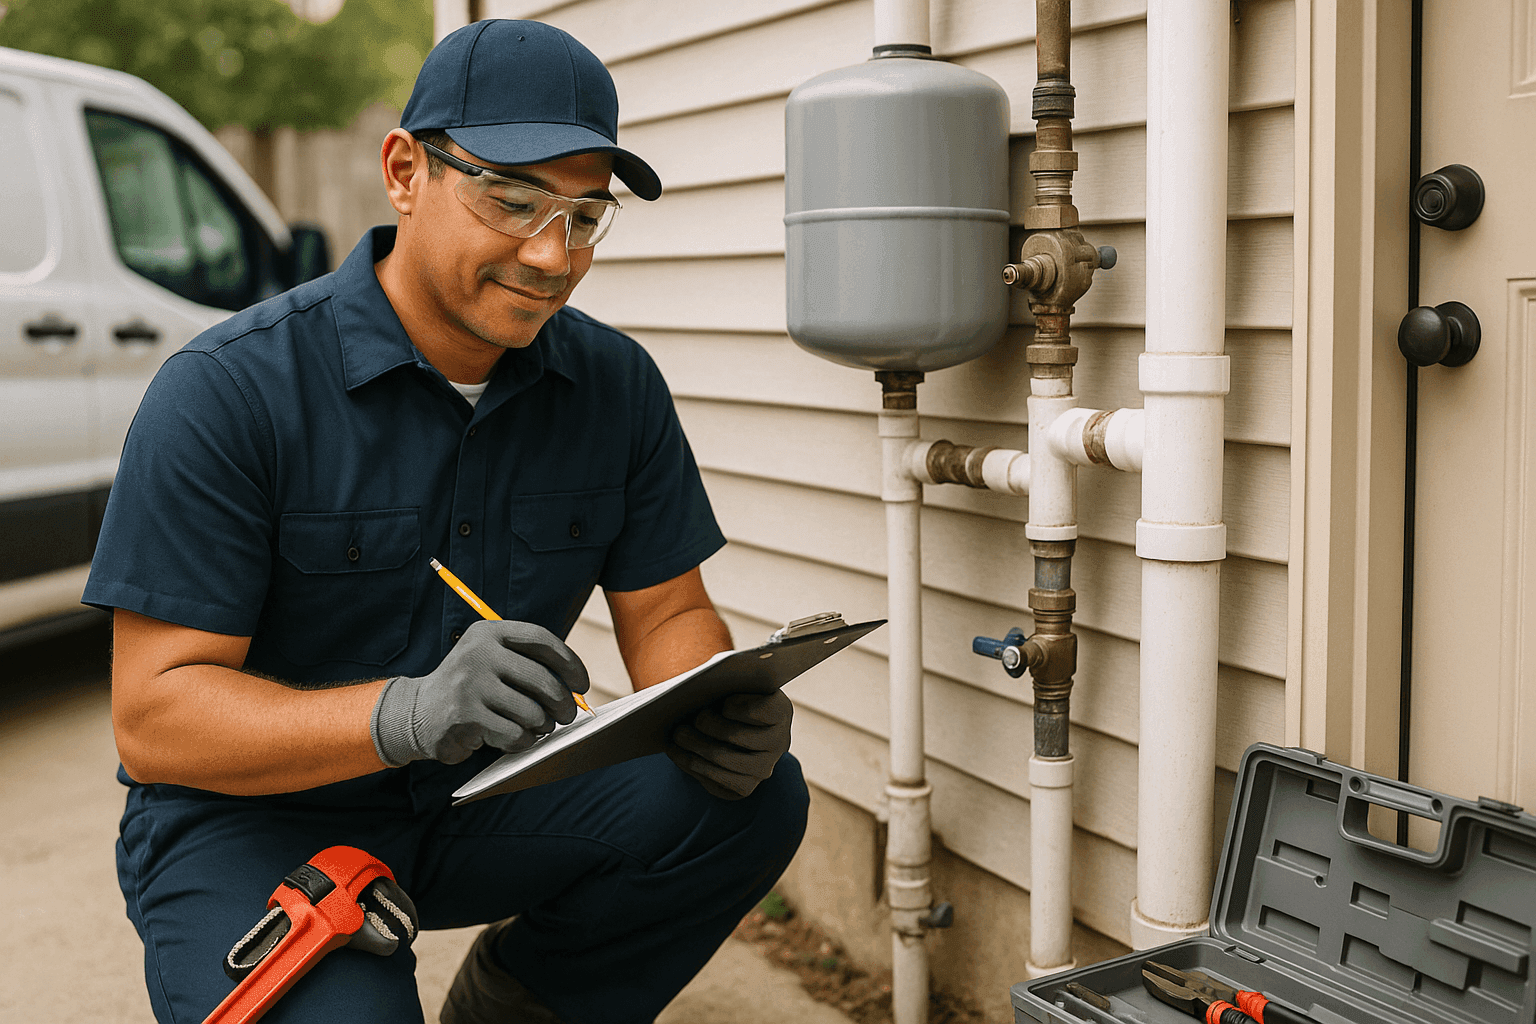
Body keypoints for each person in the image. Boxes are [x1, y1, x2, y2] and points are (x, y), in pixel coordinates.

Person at [82, 19, 807, 1024]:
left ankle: (516, 1006)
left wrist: (713, 702)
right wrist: (408, 712)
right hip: (251, 820)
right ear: (404, 169)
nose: (552, 255)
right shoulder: (227, 392)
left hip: (482, 798)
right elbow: (154, 715)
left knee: (745, 801)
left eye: (586, 217)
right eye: (512, 202)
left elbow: (671, 611)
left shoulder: (614, 386)